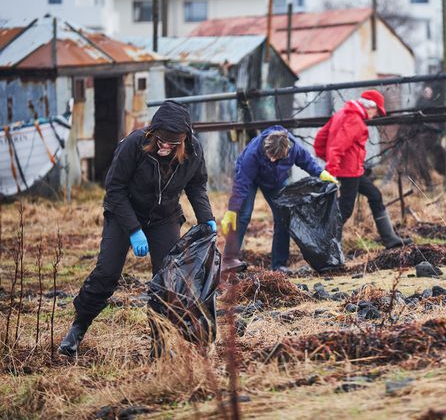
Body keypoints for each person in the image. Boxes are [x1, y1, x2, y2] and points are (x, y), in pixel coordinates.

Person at [59, 100, 217, 357]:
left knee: (169, 281)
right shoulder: (134, 145)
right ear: (153, 133)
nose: (165, 146)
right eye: (161, 140)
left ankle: (160, 343)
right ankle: (77, 330)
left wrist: (206, 218)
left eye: (172, 143)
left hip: (164, 217)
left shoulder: (193, 153)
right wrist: (133, 229)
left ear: (184, 140)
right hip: (124, 214)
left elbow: (196, 185)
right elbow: (115, 189)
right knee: (107, 273)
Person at [220, 126, 337, 273]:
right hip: (250, 180)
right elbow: (242, 184)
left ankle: (279, 264)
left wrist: (321, 174)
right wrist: (232, 210)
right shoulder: (253, 153)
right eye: (269, 156)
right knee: (242, 216)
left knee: (283, 216)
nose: (272, 159)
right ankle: (229, 259)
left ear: (286, 151)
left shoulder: (294, 149)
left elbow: (307, 162)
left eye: (276, 157)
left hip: (276, 181)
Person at [314, 89, 412, 249]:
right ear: (370, 107)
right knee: (345, 209)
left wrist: (332, 162)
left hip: (353, 170)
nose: (375, 115)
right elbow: (337, 147)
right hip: (349, 172)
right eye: (377, 111)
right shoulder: (355, 121)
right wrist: (332, 170)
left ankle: (390, 239)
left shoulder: (341, 114)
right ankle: (328, 246)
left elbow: (320, 140)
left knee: (374, 195)